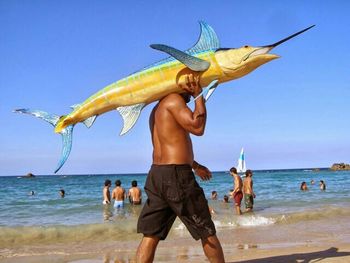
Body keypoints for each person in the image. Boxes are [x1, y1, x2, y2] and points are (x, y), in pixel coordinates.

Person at [136, 74, 225, 263]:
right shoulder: (174, 101)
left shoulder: (156, 109)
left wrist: (196, 165)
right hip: (176, 176)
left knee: (150, 235)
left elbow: (171, 144)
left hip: (157, 174)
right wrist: (199, 96)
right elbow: (197, 126)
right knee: (205, 230)